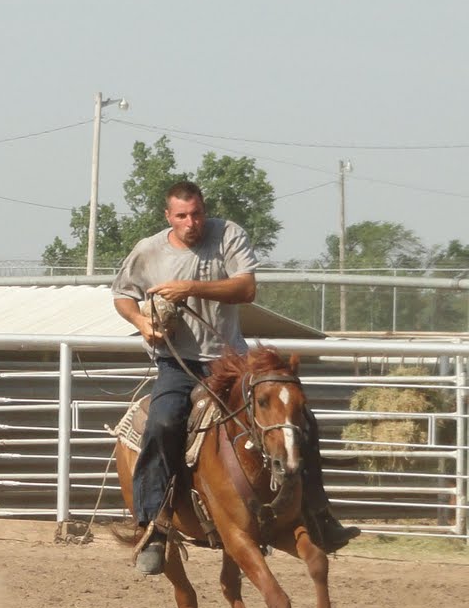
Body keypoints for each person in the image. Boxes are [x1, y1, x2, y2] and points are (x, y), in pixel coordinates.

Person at [112, 180, 358, 575]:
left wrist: (190, 288)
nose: (191, 222)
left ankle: (318, 512)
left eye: (197, 214)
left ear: (204, 210)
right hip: (178, 362)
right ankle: (154, 526)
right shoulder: (148, 250)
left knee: (298, 418)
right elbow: (122, 294)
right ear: (167, 216)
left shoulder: (228, 235)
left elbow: (246, 289)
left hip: (231, 360)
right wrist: (142, 321)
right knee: (161, 422)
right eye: (182, 216)